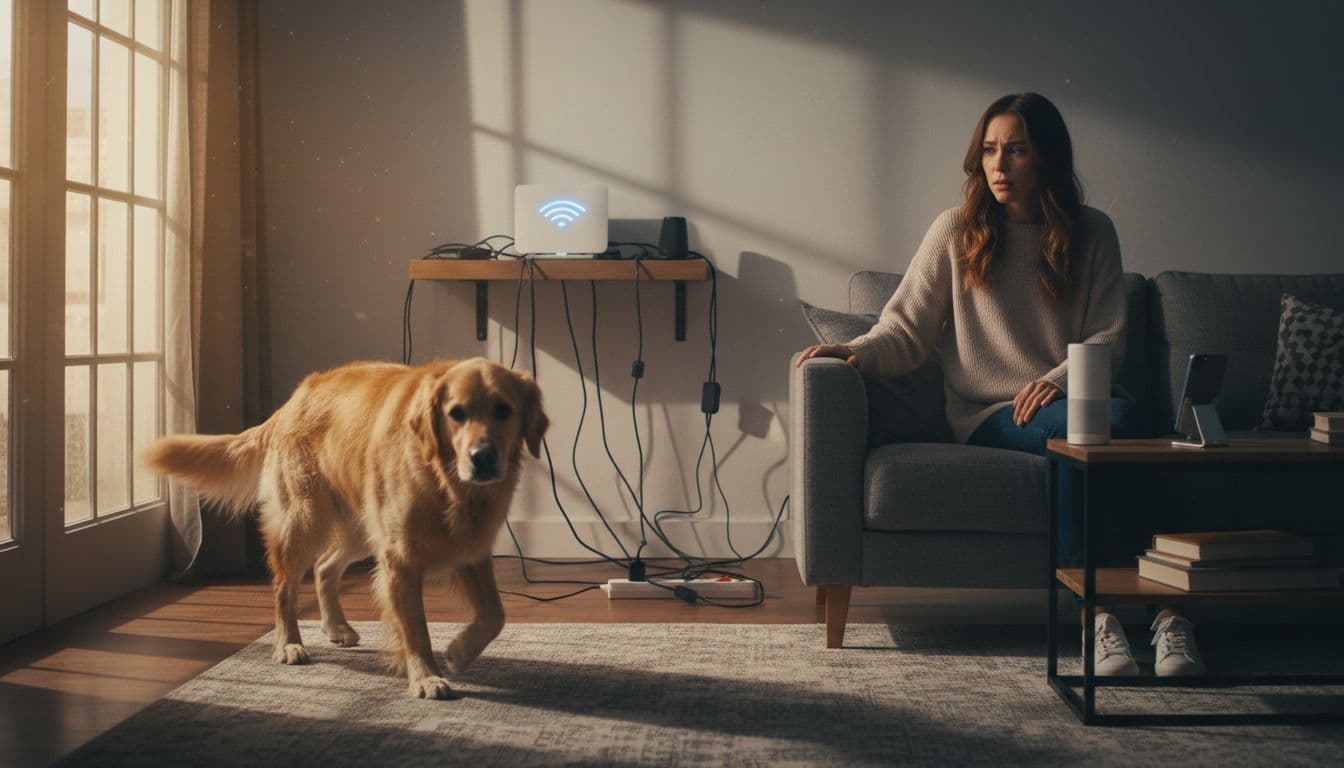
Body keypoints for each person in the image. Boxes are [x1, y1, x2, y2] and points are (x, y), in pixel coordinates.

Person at [796, 93, 1203, 677]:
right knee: (1086, 435)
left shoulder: (1093, 233)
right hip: (991, 414)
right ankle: (1109, 617)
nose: (999, 165)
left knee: (1112, 431)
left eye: (1016, 150)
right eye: (989, 150)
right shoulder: (956, 231)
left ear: (1047, 160)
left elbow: (1109, 337)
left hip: (1079, 402)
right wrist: (852, 352)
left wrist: (1059, 380)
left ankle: (1164, 618)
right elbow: (904, 329)